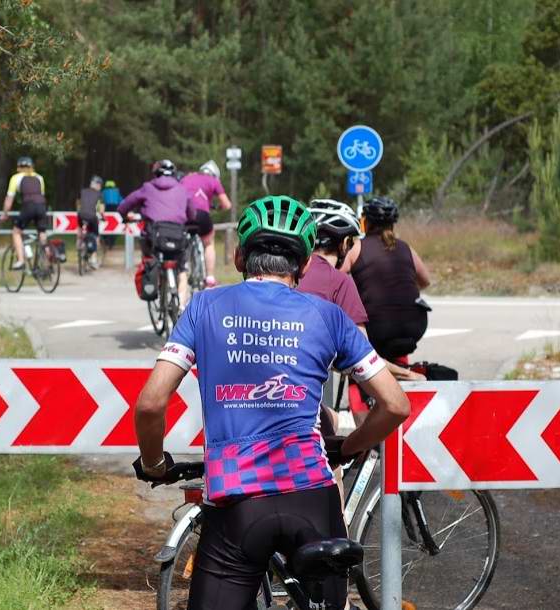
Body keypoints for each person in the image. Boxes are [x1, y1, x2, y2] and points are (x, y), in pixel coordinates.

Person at [132, 195, 410, 610]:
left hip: (237, 503)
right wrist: (350, 447)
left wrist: (154, 463)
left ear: (240, 256)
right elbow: (395, 405)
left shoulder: (205, 306)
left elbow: (152, 403)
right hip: (313, 497)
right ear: (302, 266)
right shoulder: (328, 315)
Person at [300, 199, 424, 429]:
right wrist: (411, 377)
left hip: (256, 395)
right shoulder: (339, 281)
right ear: (345, 243)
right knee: (332, 431)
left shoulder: (288, 273)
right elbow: (360, 360)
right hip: (409, 328)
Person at [350, 196, 431, 362]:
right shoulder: (405, 247)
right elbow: (425, 281)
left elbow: (336, 276)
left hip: (378, 328)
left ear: (366, 222)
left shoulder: (358, 246)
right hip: (414, 326)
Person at [118, 160, 198, 298]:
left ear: (155, 174)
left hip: (155, 235)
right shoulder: (182, 189)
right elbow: (192, 213)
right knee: (182, 269)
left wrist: (123, 214)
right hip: (178, 234)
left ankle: (153, 277)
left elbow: (126, 204)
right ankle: (181, 306)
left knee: (150, 255)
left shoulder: (147, 187)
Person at [180, 160, 233, 287]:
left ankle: (182, 269)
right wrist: (217, 207)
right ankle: (209, 277)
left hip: (184, 214)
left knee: (181, 242)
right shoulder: (214, 181)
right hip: (202, 216)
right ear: (214, 174)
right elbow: (227, 205)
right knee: (209, 242)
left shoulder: (187, 178)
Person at [1, 156, 46, 270]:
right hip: (41, 206)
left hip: (28, 206)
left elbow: (9, 200)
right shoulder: (39, 178)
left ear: (19, 167)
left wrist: (5, 214)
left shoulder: (16, 178)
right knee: (42, 232)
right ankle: (46, 259)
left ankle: (21, 260)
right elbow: (42, 195)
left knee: (16, 232)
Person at [78, 176, 104, 263]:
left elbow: (78, 204)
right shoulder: (99, 194)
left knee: (80, 229)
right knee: (95, 235)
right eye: (100, 185)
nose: (100, 187)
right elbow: (101, 210)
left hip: (81, 215)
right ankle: (94, 257)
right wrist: (103, 217)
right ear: (97, 185)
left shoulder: (83, 191)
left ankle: (79, 244)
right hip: (92, 217)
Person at [101, 180, 123, 249]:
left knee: (104, 224)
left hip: (106, 208)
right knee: (115, 224)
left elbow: (101, 200)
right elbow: (121, 201)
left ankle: (105, 239)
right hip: (115, 208)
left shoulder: (103, 192)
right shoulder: (117, 191)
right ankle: (111, 242)